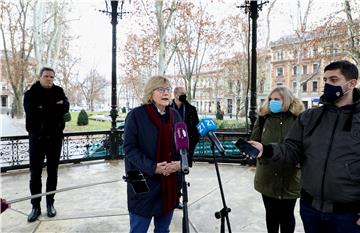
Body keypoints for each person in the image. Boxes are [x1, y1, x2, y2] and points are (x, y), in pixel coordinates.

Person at [249, 60, 360, 233]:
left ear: (352, 83)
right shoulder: (310, 117)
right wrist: (267, 149)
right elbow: (292, 149)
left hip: (348, 215)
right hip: (311, 209)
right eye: (325, 80)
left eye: (334, 79)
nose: (327, 85)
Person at [124, 76, 181, 233]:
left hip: (169, 183)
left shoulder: (175, 116)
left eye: (168, 89)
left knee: (163, 229)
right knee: (138, 229)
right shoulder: (135, 115)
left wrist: (181, 163)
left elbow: (184, 146)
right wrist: (153, 167)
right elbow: (129, 149)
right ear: (150, 93)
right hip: (141, 180)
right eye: (161, 89)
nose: (165, 93)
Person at [250, 86, 304, 233]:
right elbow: (255, 141)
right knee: (271, 216)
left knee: (287, 216)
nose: (272, 102)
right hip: (267, 176)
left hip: (290, 177)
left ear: (286, 100)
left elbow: (305, 146)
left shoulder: (299, 119)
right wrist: (251, 149)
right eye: (270, 99)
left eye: (276, 99)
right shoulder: (263, 118)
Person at [23, 67, 70, 222]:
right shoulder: (30, 93)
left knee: (53, 173)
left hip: (55, 139)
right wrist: (54, 106)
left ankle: (50, 204)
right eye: (46, 76)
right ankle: (35, 206)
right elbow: (32, 113)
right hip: (36, 140)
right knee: (35, 175)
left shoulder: (59, 91)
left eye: (51, 76)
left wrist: (44, 107)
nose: (49, 79)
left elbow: (65, 107)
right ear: (40, 77)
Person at [171, 86, 200, 167]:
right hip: (172, 143)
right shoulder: (167, 109)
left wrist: (193, 142)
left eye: (185, 94)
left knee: (184, 166)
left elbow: (196, 127)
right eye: (182, 94)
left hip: (187, 143)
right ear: (175, 95)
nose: (184, 96)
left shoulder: (191, 109)